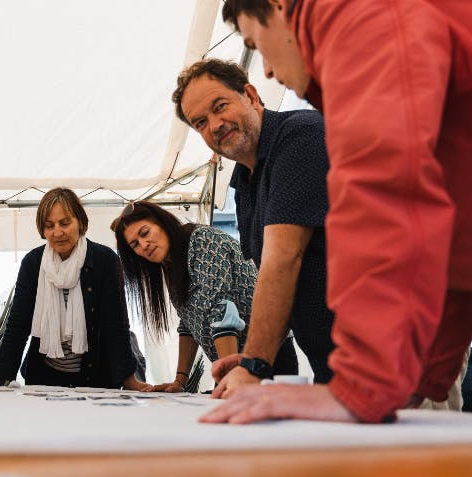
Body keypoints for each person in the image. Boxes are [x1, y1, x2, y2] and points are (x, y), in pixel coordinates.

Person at [201, 0, 472, 424]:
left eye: (257, 44)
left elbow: (385, 197)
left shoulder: (363, 17)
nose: (268, 70)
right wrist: (426, 375)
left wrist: (363, 382)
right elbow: (460, 230)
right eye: (198, 122)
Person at [172, 58, 334, 393]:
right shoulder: (242, 182)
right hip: (334, 367)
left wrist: (256, 363)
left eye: (220, 107)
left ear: (251, 94)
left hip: (394, 360)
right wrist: (251, 359)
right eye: (200, 122)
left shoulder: (299, 136)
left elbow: (283, 260)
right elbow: (268, 277)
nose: (215, 125)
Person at [0, 188, 147, 389]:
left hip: (96, 375)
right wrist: (0, 375)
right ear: (42, 230)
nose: (58, 232)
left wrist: (128, 379)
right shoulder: (33, 263)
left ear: (80, 222)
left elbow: (117, 325)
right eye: (49, 225)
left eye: (65, 223)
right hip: (44, 376)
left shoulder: (105, 260)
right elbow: (18, 324)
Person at [112, 201, 298, 392]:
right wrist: (180, 382)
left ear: (162, 223)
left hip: (267, 361)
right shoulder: (170, 264)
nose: (143, 245)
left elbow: (221, 312)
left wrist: (228, 380)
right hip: (235, 368)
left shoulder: (202, 241)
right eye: (135, 244)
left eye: (145, 233)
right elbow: (187, 324)